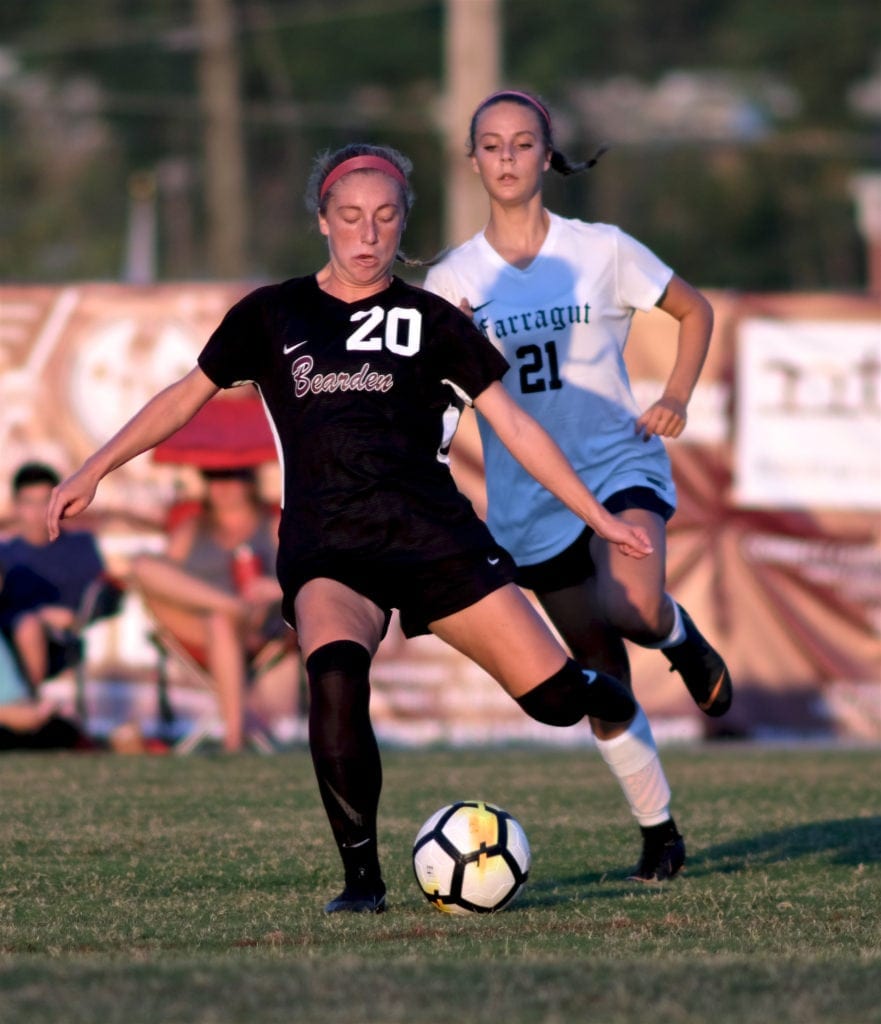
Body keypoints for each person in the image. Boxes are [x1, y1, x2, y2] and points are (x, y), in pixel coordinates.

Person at [48, 142, 655, 915]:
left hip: (436, 539)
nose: (367, 234)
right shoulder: (271, 314)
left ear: (403, 225)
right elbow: (182, 395)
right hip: (329, 544)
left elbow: (517, 428)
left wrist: (597, 515)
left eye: (384, 218)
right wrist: (93, 468)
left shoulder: (433, 319)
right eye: (350, 218)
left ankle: (622, 674)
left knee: (560, 702)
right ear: (323, 222)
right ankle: (360, 881)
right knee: (333, 674)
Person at [424, 89, 734, 882]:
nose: (505, 159)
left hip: (616, 463)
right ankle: (658, 830)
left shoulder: (599, 248)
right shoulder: (454, 278)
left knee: (629, 605)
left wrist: (674, 396)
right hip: (529, 501)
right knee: (600, 682)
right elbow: (435, 395)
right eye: (490, 146)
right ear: (471, 162)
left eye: (521, 144)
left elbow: (693, 312)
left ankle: (677, 634)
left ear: (546, 155)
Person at [130, 466, 287, 753]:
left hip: (255, 627)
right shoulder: (192, 527)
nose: (222, 487)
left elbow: (306, 579)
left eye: (231, 477)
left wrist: (273, 587)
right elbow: (165, 579)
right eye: (213, 479)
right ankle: (231, 606)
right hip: (194, 624)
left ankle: (233, 739)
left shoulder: (273, 526)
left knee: (220, 622)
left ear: (249, 482)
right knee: (143, 565)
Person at [0, 462, 109, 691]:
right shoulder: (5, 553)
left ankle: (28, 708)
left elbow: (102, 595)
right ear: (16, 506)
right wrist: (41, 614)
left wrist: (76, 618)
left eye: (45, 502)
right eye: (29, 503)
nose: (38, 512)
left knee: (28, 626)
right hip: (8, 640)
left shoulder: (81, 546)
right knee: (26, 624)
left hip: (61, 642)